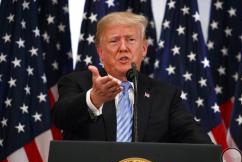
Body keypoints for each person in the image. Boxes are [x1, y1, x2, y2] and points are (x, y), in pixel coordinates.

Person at [52, 11, 211, 144]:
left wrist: (212, 157)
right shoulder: (77, 83)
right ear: (100, 52)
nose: (123, 48)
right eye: (114, 41)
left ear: (143, 49)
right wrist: (93, 99)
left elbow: (191, 133)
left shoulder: (166, 95)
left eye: (131, 40)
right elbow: (59, 117)